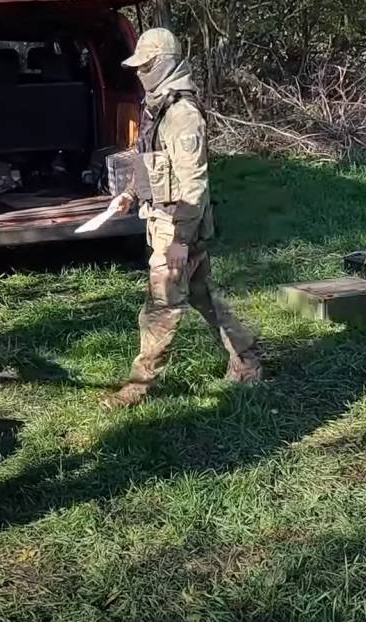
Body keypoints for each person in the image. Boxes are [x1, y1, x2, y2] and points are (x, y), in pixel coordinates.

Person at [103, 28, 261, 408]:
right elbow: (150, 161)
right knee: (205, 297)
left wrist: (180, 241)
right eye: (138, 66)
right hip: (164, 223)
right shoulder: (158, 106)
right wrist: (128, 194)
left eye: (147, 65)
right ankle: (248, 360)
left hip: (176, 229)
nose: (141, 73)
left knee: (160, 308)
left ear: (167, 63)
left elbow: (194, 186)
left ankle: (139, 387)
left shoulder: (183, 116)